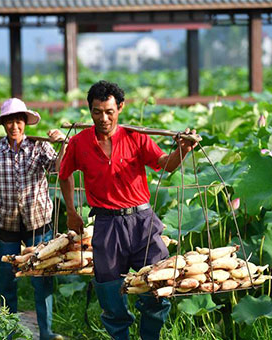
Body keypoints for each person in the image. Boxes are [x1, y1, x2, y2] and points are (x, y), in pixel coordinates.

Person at [58, 80, 198, 340]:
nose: (103, 118)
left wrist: (183, 150)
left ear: (120, 108)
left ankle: (149, 336)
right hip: (107, 224)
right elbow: (64, 174)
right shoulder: (79, 143)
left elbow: (166, 165)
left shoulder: (136, 137)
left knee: (159, 285)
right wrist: (71, 210)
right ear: (89, 111)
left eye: (109, 112)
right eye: (97, 112)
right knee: (110, 295)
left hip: (142, 222)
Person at [0, 98, 66, 340]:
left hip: (38, 222)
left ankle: (45, 332)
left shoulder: (39, 146)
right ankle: (9, 330)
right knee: (6, 279)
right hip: (6, 222)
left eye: (18, 121)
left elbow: (58, 168)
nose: (14, 126)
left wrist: (62, 144)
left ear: (25, 122)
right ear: (3, 124)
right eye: (9, 121)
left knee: (41, 278)